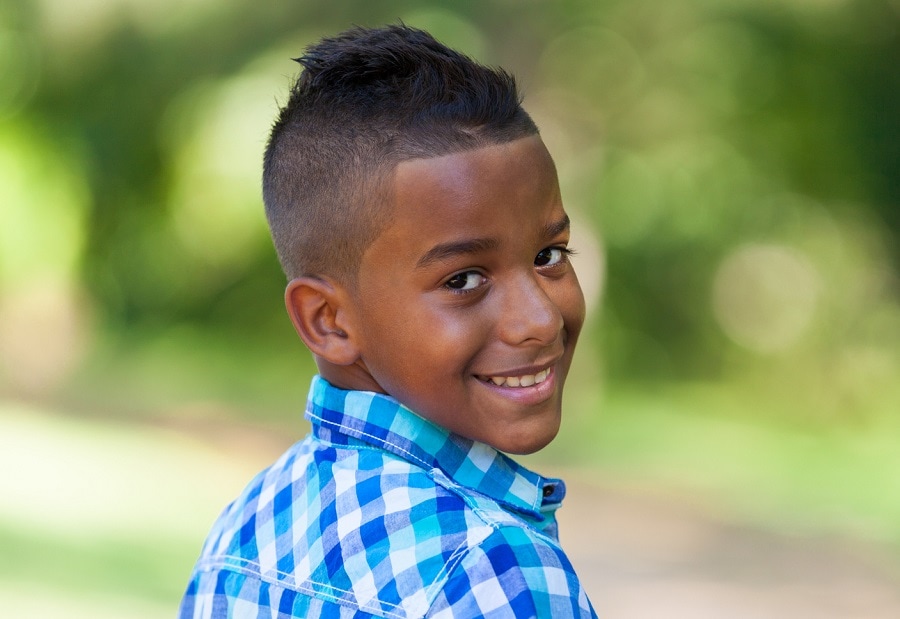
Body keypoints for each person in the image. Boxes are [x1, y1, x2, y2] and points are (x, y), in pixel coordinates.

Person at [179, 24, 595, 618]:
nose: (540, 319)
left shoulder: (248, 528)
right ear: (328, 321)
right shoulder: (490, 567)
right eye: (463, 280)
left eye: (548, 256)